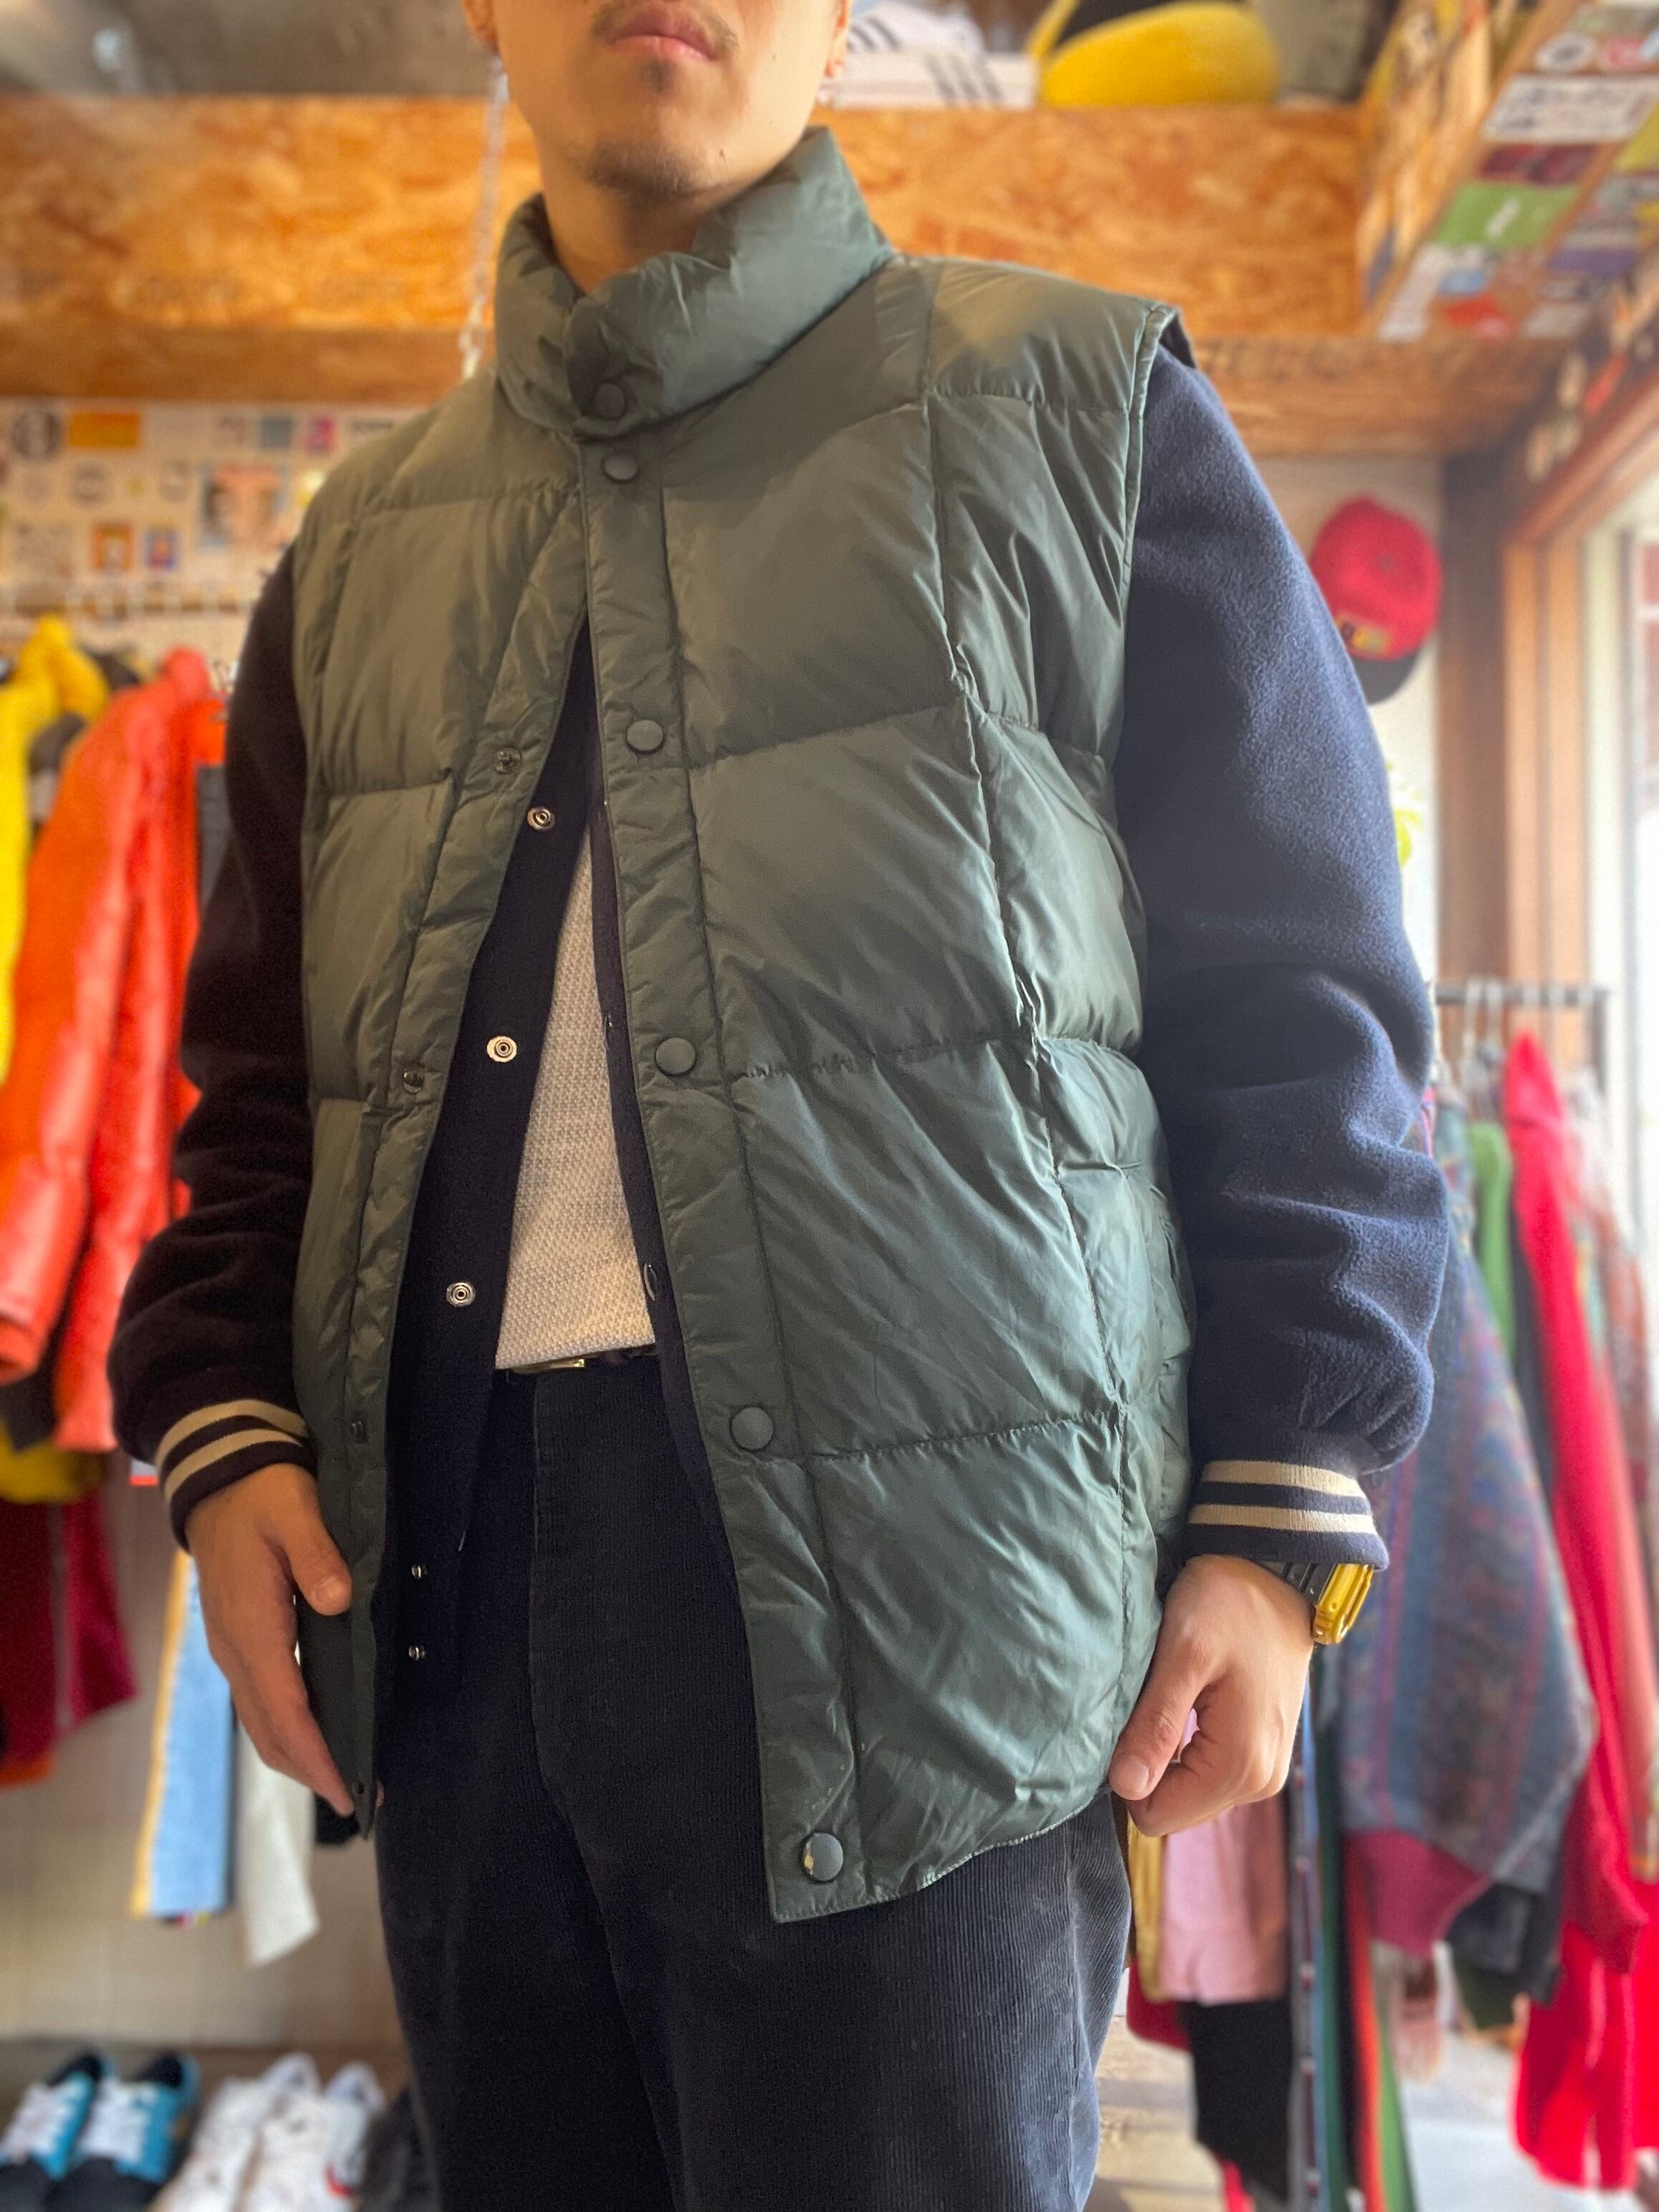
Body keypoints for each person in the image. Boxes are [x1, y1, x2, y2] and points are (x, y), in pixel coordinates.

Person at [109, 0, 1449, 2202]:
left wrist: (1275, 1500)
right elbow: (259, 1082)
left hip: (934, 1629)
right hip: (443, 1616)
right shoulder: (356, 548)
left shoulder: (1081, 411)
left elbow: (1304, 1007)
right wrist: (226, 1427)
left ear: (843, 21)